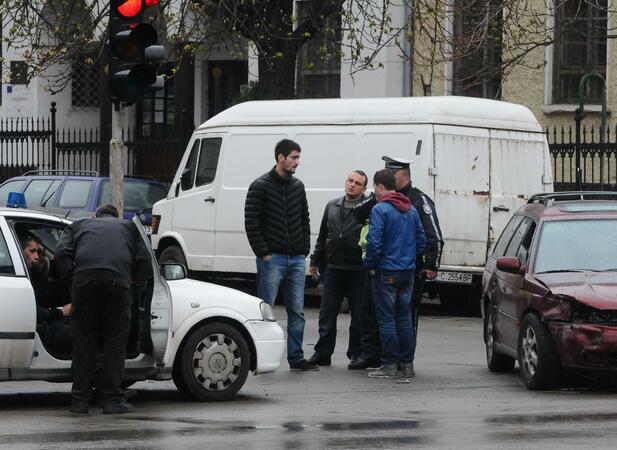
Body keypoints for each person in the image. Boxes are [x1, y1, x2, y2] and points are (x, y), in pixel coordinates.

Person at [55, 204, 150, 414]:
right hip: (118, 283)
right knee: (114, 343)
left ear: (95, 216)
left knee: (84, 343)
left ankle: (79, 401)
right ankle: (112, 400)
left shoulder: (79, 225)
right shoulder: (127, 227)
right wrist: (134, 285)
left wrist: (73, 279)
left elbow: (61, 253)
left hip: (84, 282)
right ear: (116, 217)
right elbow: (144, 259)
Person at [244, 139, 316, 371]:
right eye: (294, 157)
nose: (297, 162)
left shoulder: (298, 187)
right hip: (271, 258)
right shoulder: (260, 186)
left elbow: (304, 218)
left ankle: (296, 358)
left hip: (295, 258)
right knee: (265, 310)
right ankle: (260, 357)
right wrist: (263, 253)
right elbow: (251, 222)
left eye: (298, 158)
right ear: (280, 157)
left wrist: (304, 248)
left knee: (298, 312)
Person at [363, 169, 425, 379]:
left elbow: (374, 242)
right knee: (405, 319)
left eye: (374, 186)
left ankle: (389, 364)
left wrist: (370, 264)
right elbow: (421, 240)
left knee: (387, 320)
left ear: (380, 186)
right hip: (407, 272)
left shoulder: (380, 209)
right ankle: (407, 364)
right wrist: (408, 258)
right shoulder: (411, 209)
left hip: (386, 271)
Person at [308, 171, 368, 367]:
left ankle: (356, 353)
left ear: (364, 189)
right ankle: (323, 352)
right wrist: (315, 260)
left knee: (358, 315)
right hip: (333, 267)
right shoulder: (332, 205)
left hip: (358, 269)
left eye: (357, 183)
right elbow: (323, 235)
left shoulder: (368, 208)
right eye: (350, 181)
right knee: (327, 313)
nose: (352, 185)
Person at [382, 156, 444, 340]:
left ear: (403, 175)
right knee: (386, 316)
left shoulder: (419, 200)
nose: (387, 178)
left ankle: (404, 360)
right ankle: (389, 358)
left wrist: (431, 264)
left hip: (411, 269)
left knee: (406, 316)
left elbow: (434, 236)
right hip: (387, 268)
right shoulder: (385, 197)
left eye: (391, 174)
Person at [21, 236, 72, 357]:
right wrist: (61, 312)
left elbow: (43, 295)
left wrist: (41, 267)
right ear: (20, 250)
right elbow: (34, 312)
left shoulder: (30, 272)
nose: (37, 257)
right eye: (32, 251)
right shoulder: (20, 276)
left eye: (38, 252)